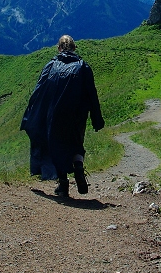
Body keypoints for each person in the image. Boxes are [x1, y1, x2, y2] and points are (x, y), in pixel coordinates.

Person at [21, 35, 105, 196]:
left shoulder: (51, 66)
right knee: (76, 142)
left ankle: (63, 184)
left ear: (59, 48)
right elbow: (92, 94)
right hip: (78, 114)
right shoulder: (83, 67)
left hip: (54, 114)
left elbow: (38, 91)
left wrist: (31, 114)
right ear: (74, 48)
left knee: (56, 146)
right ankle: (78, 167)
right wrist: (97, 119)